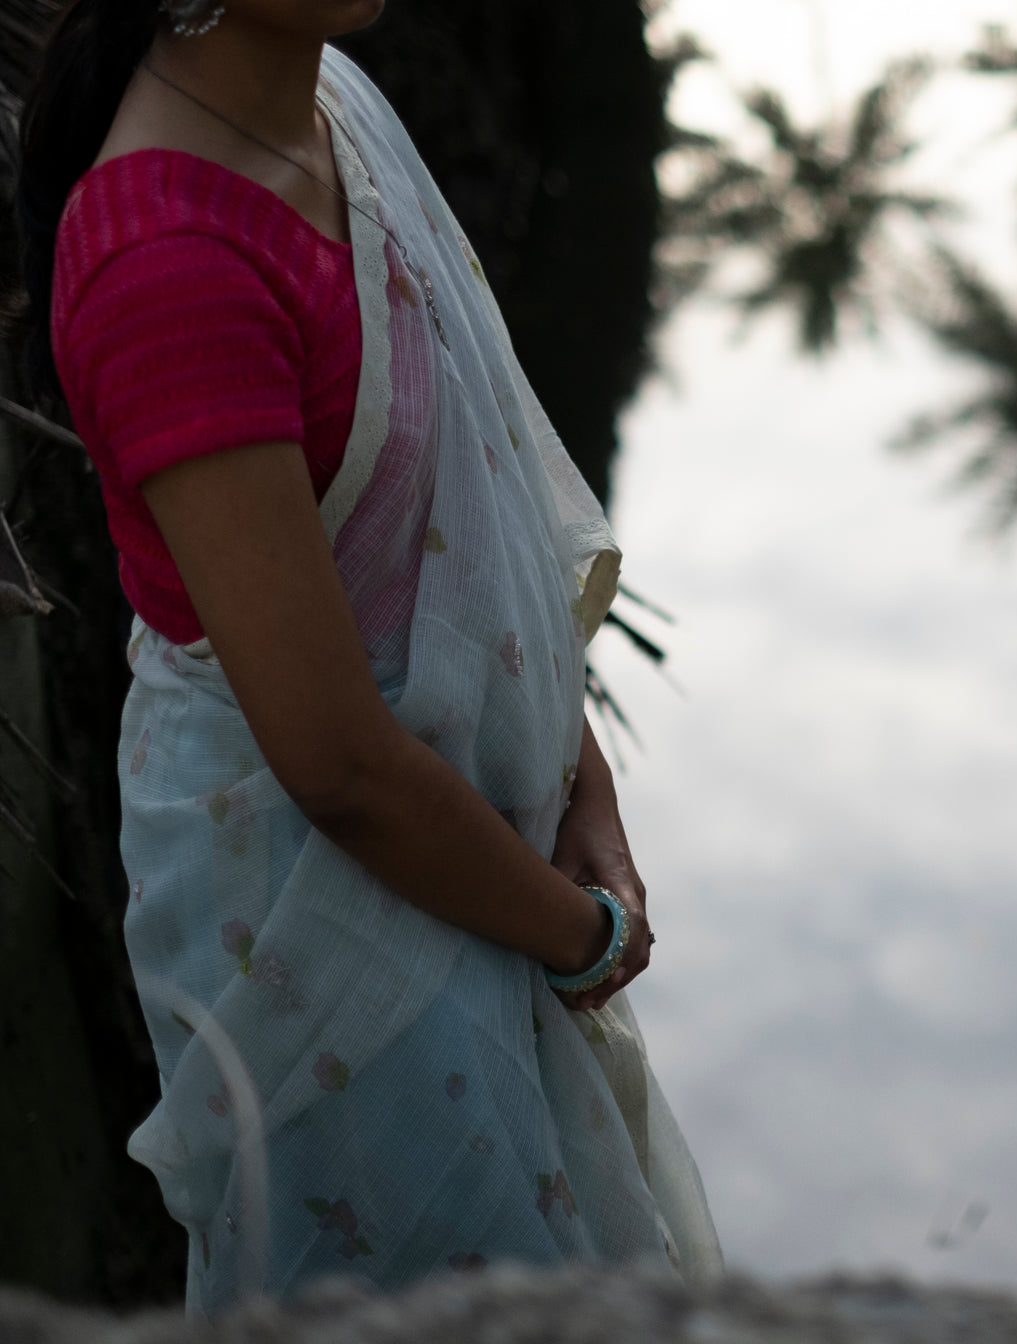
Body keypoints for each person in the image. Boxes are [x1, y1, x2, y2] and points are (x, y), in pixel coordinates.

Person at [18, 0, 723, 1310]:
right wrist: (579, 933)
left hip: (467, 846)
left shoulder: (331, 103)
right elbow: (334, 762)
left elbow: (475, 505)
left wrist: (577, 777)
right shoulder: (167, 254)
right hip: (307, 899)